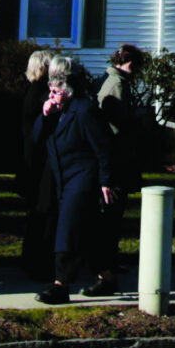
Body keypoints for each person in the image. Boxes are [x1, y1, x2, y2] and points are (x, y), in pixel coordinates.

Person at [34, 59, 117, 304]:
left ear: (68, 92)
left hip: (83, 178)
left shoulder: (84, 110)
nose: (52, 96)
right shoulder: (57, 112)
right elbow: (36, 138)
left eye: (56, 92)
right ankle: (107, 278)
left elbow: (103, 147)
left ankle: (61, 284)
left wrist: (106, 180)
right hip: (63, 177)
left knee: (67, 230)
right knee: (89, 233)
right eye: (50, 92)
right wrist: (45, 114)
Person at [94, 44, 152, 289]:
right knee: (112, 215)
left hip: (117, 158)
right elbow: (118, 123)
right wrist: (137, 119)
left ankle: (111, 260)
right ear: (130, 64)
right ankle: (106, 264)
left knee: (114, 215)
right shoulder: (117, 86)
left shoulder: (113, 81)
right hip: (117, 158)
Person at [17, 48, 57, 278]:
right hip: (40, 159)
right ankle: (38, 261)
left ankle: (30, 259)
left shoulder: (30, 91)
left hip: (30, 157)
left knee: (35, 213)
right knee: (42, 212)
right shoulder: (42, 93)